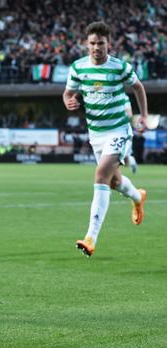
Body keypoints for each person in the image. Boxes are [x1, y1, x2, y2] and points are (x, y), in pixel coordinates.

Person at [63, 21, 148, 257]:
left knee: (100, 175)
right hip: (96, 134)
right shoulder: (78, 68)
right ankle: (137, 196)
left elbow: (138, 87)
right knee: (113, 182)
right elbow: (68, 92)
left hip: (118, 130)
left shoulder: (119, 67)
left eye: (100, 43)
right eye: (92, 43)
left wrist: (142, 116)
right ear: (86, 44)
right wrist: (67, 101)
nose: (96, 48)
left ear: (108, 44)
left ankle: (91, 237)